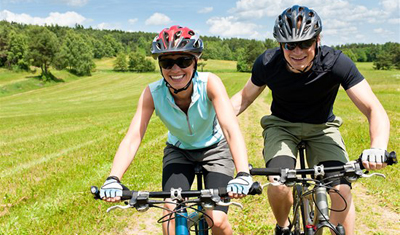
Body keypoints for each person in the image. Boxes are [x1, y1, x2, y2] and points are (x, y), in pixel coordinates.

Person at [230, 5, 390, 235]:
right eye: (289, 45)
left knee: (341, 188)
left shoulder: (336, 62)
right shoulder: (267, 63)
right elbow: (242, 99)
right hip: (282, 126)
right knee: (279, 182)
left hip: (323, 128)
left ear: (317, 40)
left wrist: (378, 147)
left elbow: (373, 108)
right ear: (280, 45)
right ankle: (283, 227)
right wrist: (212, 124)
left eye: (305, 43)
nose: (297, 51)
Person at [99, 25, 253, 235]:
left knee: (216, 219)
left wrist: (243, 173)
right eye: (167, 62)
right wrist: (113, 178)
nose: (175, 69)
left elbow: (230, 128)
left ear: (195, 61)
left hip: (215, 149)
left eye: (183, 61)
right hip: (179, 152)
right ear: (160, 66)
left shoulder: (210, 83)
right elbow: (133, 136)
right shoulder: (152, 93)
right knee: (171, 213)